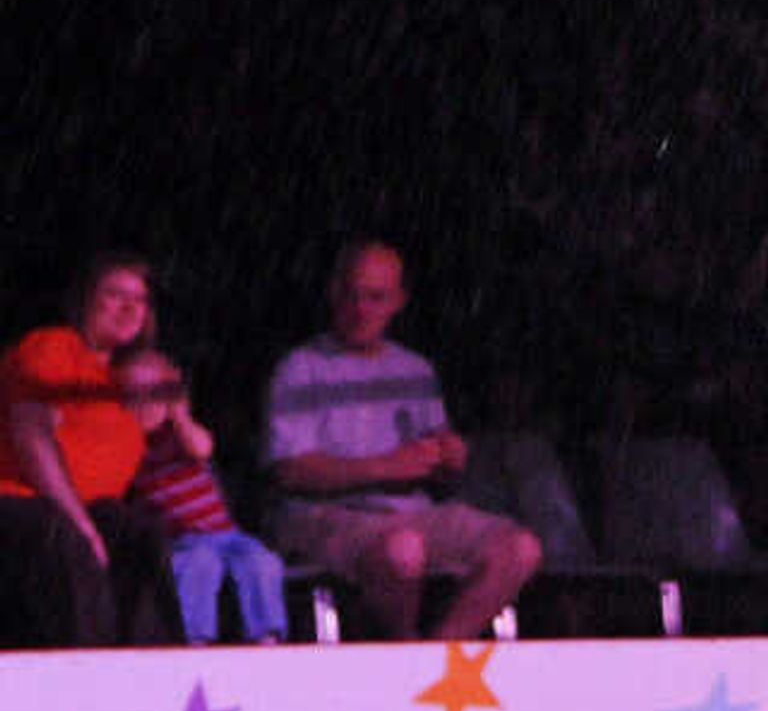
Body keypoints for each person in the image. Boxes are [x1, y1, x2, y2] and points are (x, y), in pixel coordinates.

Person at [261, 239, 545, 641]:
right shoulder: (300, 368)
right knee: (403, 550)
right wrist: (383, 467)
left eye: (376, 298)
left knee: (520, 548)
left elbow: (436, 473)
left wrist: (450, 459)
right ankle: (402, 650)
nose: (362, 310)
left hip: (410, 512)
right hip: (325, 516)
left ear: (398, 301)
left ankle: (440, 653)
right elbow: (289, 471)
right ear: (334, 293)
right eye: (352, 295)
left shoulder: (414, 369)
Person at [0, 255, 163, 647]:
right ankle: (89, 676)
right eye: (114, 295)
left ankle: (154, 670)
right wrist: (81, 524)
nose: (129, 308)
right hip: (19, 501)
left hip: (83, 510)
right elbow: (32, 432)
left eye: (139, 300)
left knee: (137, 531)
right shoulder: (55, 346)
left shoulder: (124, 383)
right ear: (83, 301)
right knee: (63, 534)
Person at [116, 348, 288, 645]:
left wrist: (179, 414)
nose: (145, 406)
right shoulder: (128, 446)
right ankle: (194, 638)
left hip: (226, 533)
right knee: (199, 565)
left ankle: (266, 633)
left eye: (155, 394)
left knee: (262, 561)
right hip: (183, 538)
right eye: (133, 396)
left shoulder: (181, 436)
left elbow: (201, 448)